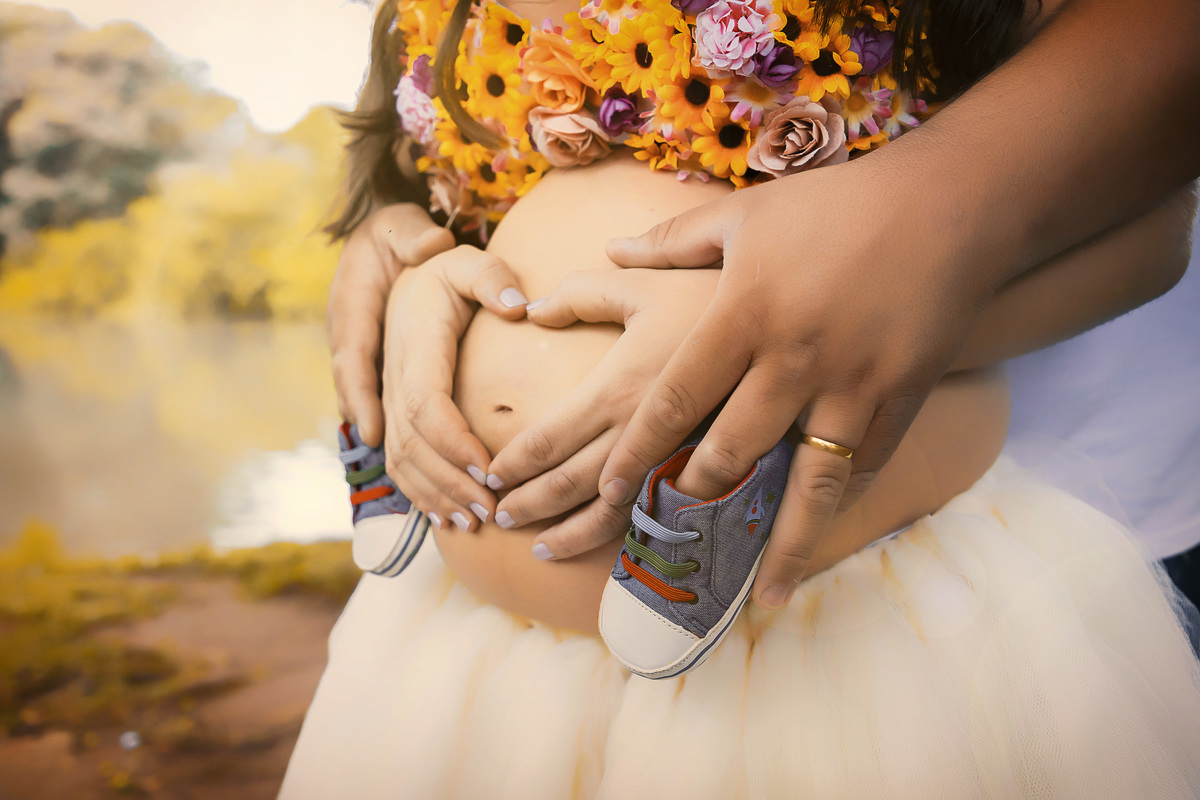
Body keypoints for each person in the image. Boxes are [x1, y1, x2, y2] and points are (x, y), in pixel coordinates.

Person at [281, 0, 1200, 795]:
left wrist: (783, 336)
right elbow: (438, 191)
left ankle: (721, 472)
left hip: (851, 642)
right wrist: (400, 255)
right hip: (470, 646)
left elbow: (1150, 215)